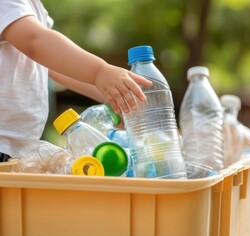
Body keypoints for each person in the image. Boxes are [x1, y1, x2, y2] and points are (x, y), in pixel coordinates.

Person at [0, 0, 152, 162]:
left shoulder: (32, 6)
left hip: (15, 150)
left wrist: (109, 94)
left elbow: (52, 63)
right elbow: (34, 40)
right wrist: (99, 72)